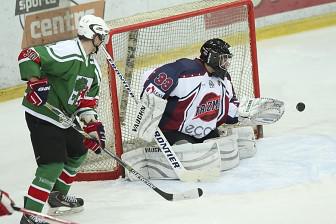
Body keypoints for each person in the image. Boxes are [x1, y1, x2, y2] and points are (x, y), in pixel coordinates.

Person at [123, 38, 284, 180]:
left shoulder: (224, 78)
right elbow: (154, 77)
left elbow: (229, 109)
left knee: (225, 150)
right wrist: (149, 106)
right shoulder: (186, 70)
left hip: (206, 132)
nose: (227, 63)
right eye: (223, 59)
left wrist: (245, 113)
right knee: (192, 153)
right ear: (212, 57)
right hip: (175, 131)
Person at [18, 14, 109, 224]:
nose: (102, 41)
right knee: (52, 164)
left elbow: (85, 102)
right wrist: (34, 82)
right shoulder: (67, 51)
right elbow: (28, 54)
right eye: (100, 36)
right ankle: (30, 215)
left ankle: (57, 196)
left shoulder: (93, 69)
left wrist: (92, 125)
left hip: (63, 117)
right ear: (92, 34)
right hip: (42, 112)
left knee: (78, 151)